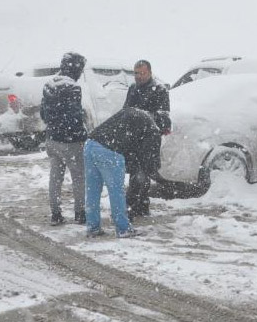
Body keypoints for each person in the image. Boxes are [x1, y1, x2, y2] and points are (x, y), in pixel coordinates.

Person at [84, 107, 164, 238]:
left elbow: (128, 140)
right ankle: (123, 228)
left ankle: (92, 227)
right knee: (116, 191)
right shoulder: (153, 129)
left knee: (92, 189)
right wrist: (156, 175)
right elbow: (148, 159)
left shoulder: (133, 112)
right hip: (110, 150)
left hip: (90, 144)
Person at [40, 52, 87, 226]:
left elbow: (43, 113)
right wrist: (83, 135)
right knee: (79, 177)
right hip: (71, 141)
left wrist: (54, 125)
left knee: (55, 177)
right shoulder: (73, 87)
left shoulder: (49, 84)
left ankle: (56, 214)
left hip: (52, 138)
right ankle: (80, 213)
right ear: (76, 68)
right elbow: (75, 118)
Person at [122, 59, 171, 219]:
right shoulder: (133, 88)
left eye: (142, 73)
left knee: (143, 172)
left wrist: (143, 117)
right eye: (136, 73)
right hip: (133, 138)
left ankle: (133, 205)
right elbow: (126, 110)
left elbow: (163, 116)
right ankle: (140, 205)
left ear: (149, 72)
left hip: (149, 138)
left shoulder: (159, 89)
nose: (139, 76)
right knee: (135, 172)